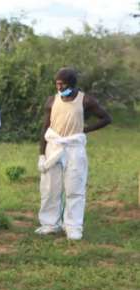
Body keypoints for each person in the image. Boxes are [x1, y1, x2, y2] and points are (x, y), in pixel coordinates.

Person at [35, 68, 112, 241]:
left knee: (74, 187)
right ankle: (49, 224)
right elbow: (45, 128)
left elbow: (106, 118)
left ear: (71, 83)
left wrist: (85, 130)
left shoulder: (85, 100)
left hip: (74, 148)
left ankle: (73, 226)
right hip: (53, 146)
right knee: (49, 188)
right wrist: (41, 154)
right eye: (57, 84)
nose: (59, 87)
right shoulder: (52, 101)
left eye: (62, 84)